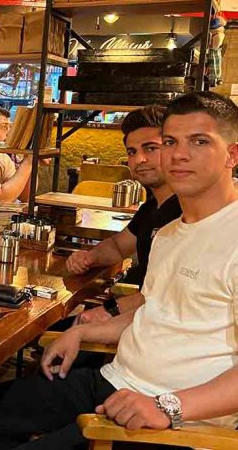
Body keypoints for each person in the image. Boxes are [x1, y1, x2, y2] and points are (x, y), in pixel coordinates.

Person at [0, 91, 238, 450]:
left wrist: (168, 407)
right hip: (117, 381)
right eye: (170, 142)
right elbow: (155, 311)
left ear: (232, 154)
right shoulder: (169, 233)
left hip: (176, 418)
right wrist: (83, 332)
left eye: (199, 142)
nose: (179, 155)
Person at [66, 106, 174, 323]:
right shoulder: (152, 207)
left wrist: (110, 311)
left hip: (157, 327)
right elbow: (117, 246)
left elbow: (172, 296)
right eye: (132, 152)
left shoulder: (188, 212)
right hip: (140, 318)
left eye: (151, 148)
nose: (139, 159)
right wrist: (88, 258)